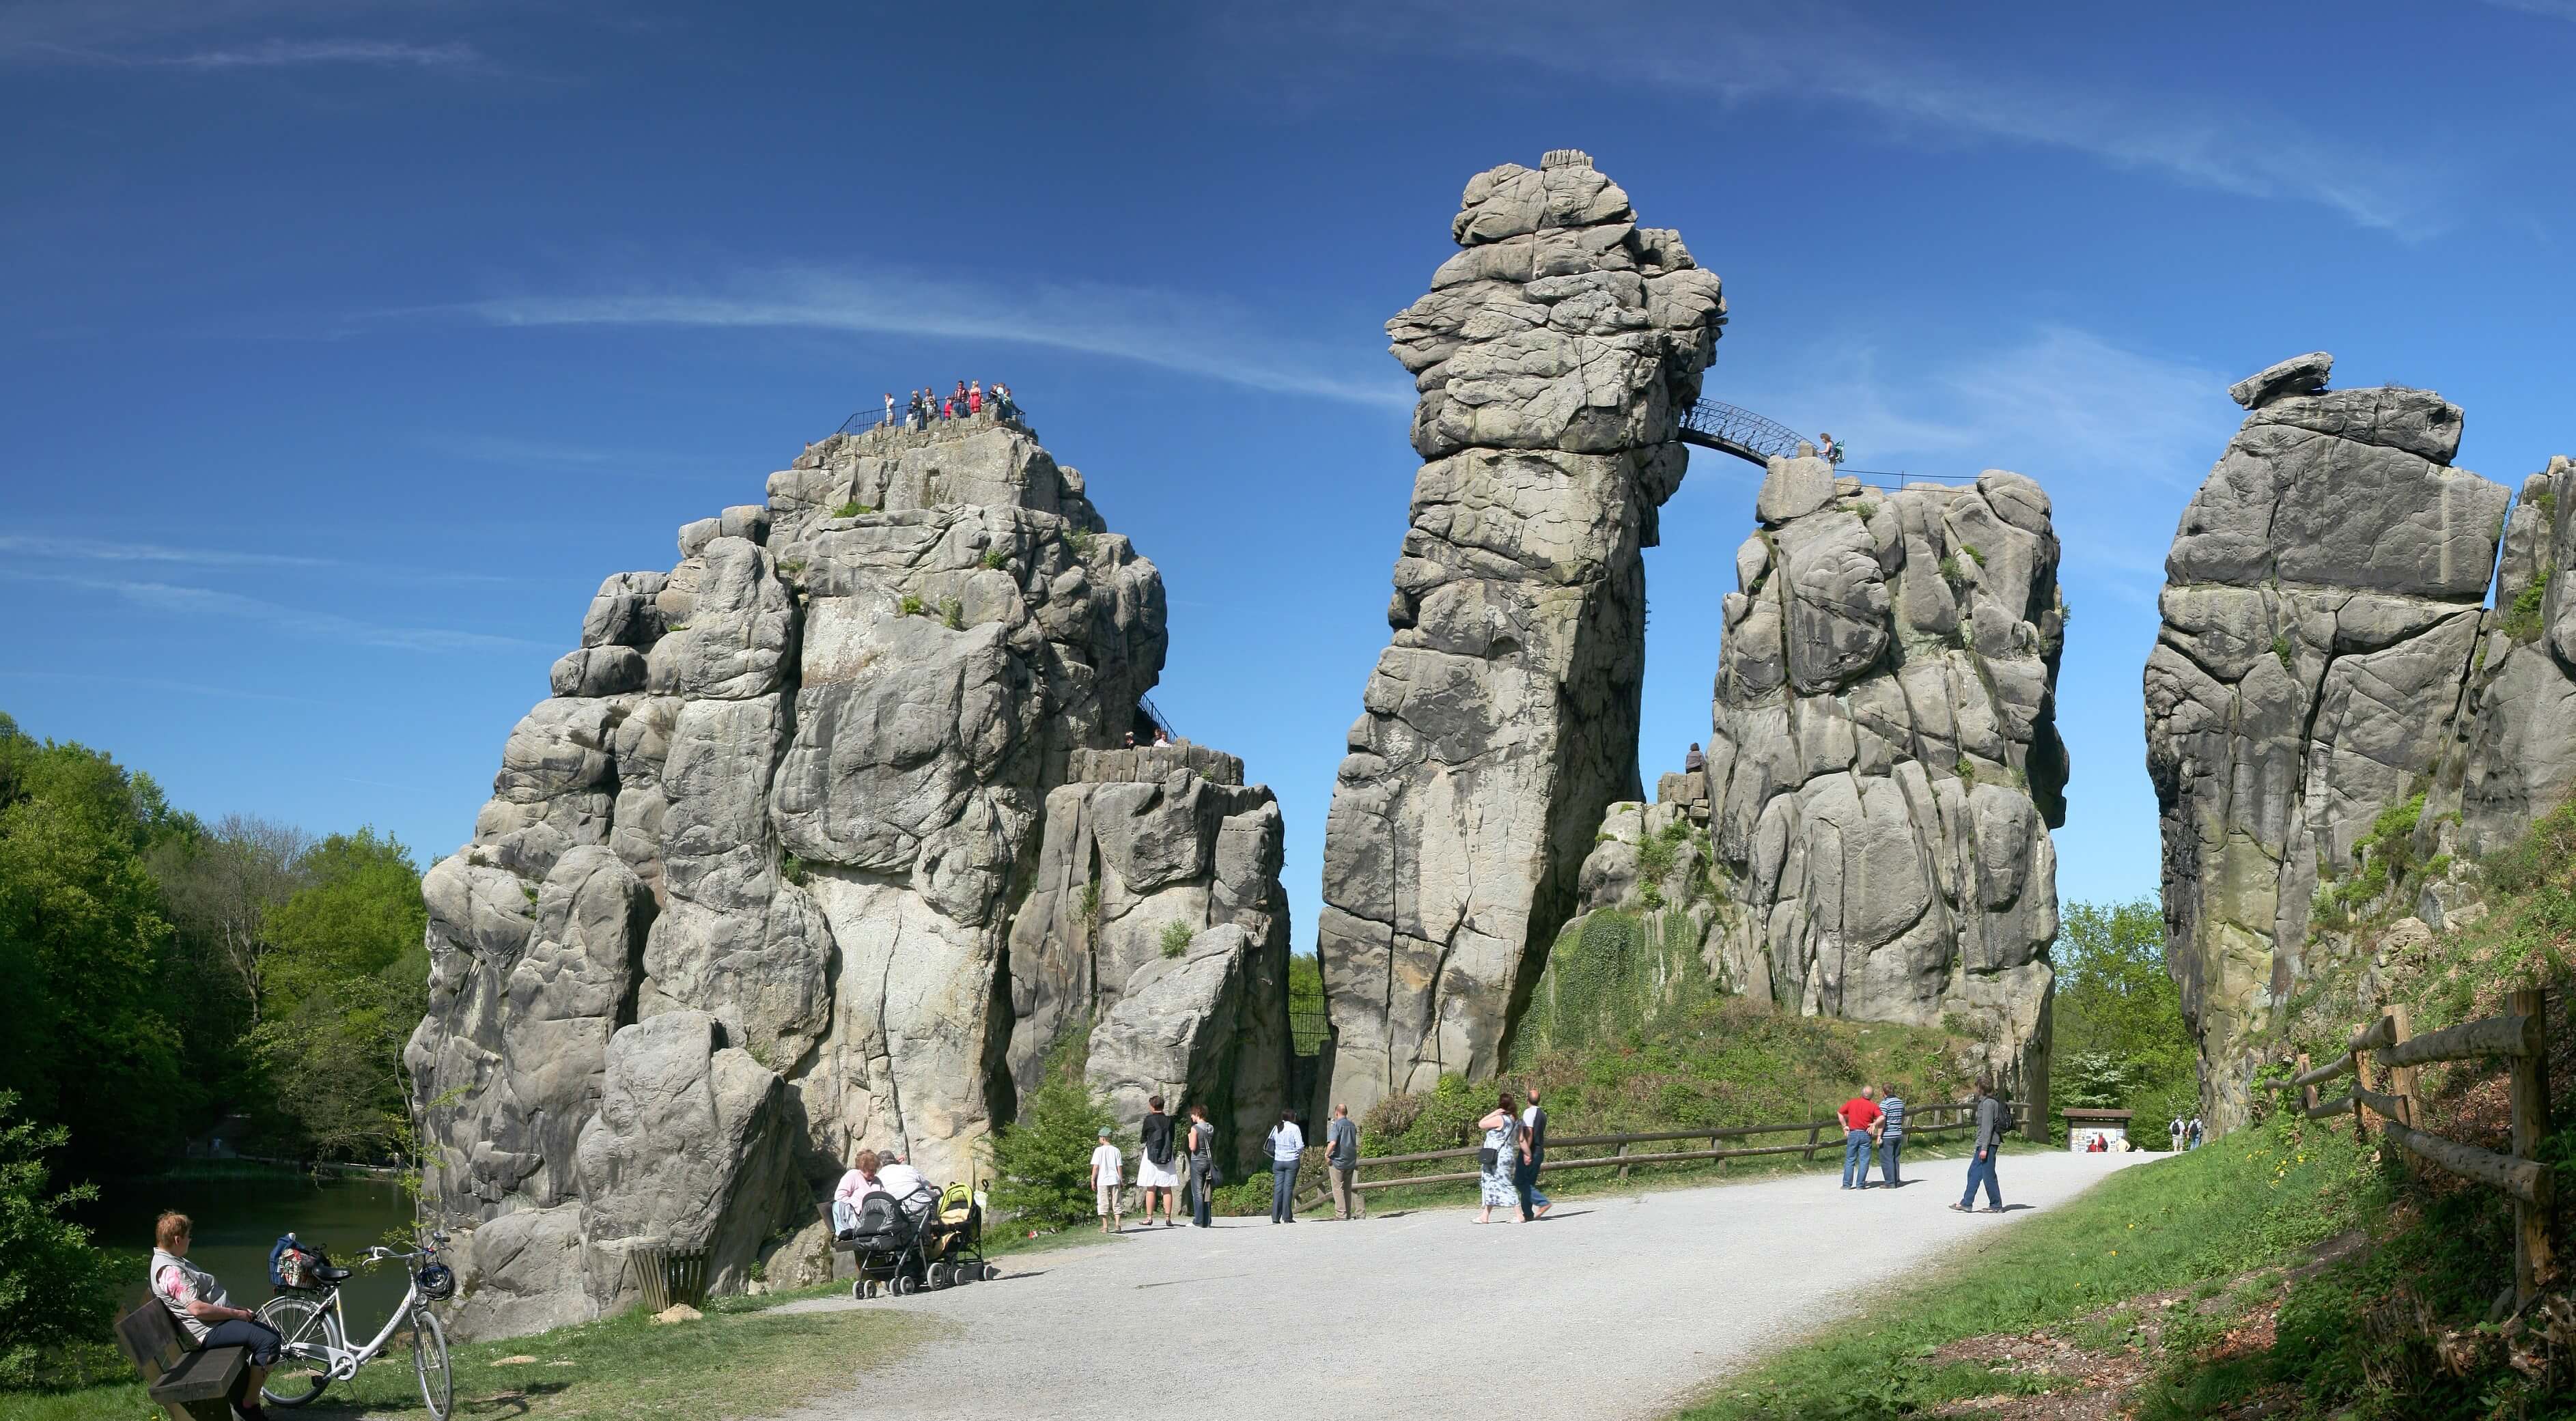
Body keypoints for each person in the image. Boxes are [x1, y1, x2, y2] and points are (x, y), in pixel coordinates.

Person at [151, 1212, 281, 1419]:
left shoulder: (172, 1260)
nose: (190, 1240)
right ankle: (249, 1404)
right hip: (204, 1333)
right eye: (188, 1236)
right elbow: (197, 1310)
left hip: (211, 1326)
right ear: (177, 1239)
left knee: (268, 1335)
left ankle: (246, 1408)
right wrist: (236, 1314)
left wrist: (237, 1309)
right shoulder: (169, 1271)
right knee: (269, 1341)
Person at [1952, 1077, 2006, 1213]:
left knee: (1988, 1175)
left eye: (1977, 1087)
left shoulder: (1988, 1104)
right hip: (1984, 1144)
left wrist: (1984, 1149)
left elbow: (1987, 1128)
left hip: (1988, 1145)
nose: (1976, 1090)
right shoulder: (1987, 1102)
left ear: (1981, 1089)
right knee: (1973, 1172)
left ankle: (1996, 1205)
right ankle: (1967, 1203)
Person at [1474, 1093, 1522, 1224]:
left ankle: (1519, 1215)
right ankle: (1485, 1216)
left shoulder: (1501, 1119)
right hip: (1507, 1154)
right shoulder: (1516, 1120)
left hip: (1497, 1156)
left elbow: (1481, 1124)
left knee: (1505, 1183)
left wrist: (1494, 1113)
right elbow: (1520, 1139)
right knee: (1490, 1182)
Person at [1136, 1095, 1181, 1227]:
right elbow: (1172, 1137)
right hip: (1166, 1155)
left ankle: (1149, 1218)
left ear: (1152, 1106)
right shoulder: (1169, 1120)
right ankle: (1168, 1218)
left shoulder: (1148, 1120)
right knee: (1167, 1188)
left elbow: (1143, 1138)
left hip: (1151, 1156)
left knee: (1151, 1187)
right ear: (1162, 1106)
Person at [1324, 1103, 1363, 1222]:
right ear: (1346, 1112)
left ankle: (1341, 1214)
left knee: (1338, 1187)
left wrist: (1326, 1155)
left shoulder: (1336, 1125)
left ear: (1336, 1113)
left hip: (1338, 1161)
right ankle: (1348, 1213)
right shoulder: (1352, 1125)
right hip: (1350, 1160)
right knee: (1347, 1187)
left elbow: (1333, 1143)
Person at [1517, 1085, 1552, 1220]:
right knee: (1529, 1182)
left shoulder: (1529, 1112)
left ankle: (1542, 1203)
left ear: (1527, 1100)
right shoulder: (1542, 1114)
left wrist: (1527, 1152)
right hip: (1539, 1150)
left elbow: (1529, 1132)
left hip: (1531, 1150)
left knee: (1520, 1181)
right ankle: (1528, 1213)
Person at [1838, 1085, 1882, 1190]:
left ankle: (1847, 1185)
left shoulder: (1852, 1102)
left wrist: (1845, 1126)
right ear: (1871, 1096)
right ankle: (1860, 1184)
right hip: (1865, 1134)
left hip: (1853, 1133)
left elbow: (1840, 1112)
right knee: (1864, 1160)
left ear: (1862, 1093)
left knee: (1850, 1160)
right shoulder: (1873, 1106)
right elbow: (1881, 1117)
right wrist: (1874, 1124)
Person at [1265, 1109, 1305, 1223]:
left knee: (1278, 1189)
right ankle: (1287, 1217)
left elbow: (1270, 1142)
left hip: (1278, 1161)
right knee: (1288, 1189)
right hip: (1291, 1161)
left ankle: (1275, 1217)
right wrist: (1298, 1153)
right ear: (1292, 1117)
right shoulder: (1295, 1128)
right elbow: (1300, 1145)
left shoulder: (1276, 1127)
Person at [832, 1149, 884, 1232]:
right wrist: (858, 1206)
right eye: (871, 1170)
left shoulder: (877, 1180)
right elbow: (839, 1196)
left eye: (875, 1170)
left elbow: (885, 1197)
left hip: (878, 1218)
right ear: (863, 1167)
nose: (874, 1172)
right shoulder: (853, 1175)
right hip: (859, 1220)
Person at [1185, 1103, 1217, 1228]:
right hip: (1208, 1162)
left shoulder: (1195, 1129)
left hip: (1197, 1162)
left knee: (1197, 1192)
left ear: (1197, 1114)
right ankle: (1207, 1220)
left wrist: (1189, 1138)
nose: (1192, 1117)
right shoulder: (1210, 1128)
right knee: (1207, 1192)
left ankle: (1198, 1221)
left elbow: (1193, 1147)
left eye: (1192, 1114)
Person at [1090, 1126, 1125, 1233]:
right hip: (1114, 1179)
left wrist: (1093, 1180)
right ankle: (1118, 1225)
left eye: (1099, 1137)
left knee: (1103, 1202)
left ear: (1103, 1138)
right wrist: (1121, 1179)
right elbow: (1119, 1167)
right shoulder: (1116, 1150)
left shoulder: (1098, 1151)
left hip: (1102, 1180)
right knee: (1117, 1202)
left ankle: (1105, 1227)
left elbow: (1096, 1167)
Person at [1877, 1085, 1907, 1187]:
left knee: (1887, 1159)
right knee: (1895, 1159)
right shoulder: (1900, 1102)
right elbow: (1903, 1118)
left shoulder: (1884, 1104)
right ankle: (1896, 1180)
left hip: (1888, 1135)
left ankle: (1890, 1182)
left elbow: (1882, 1120)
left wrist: (1879, 1135)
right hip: (1898, 1133)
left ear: (1883, 1092)